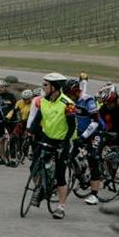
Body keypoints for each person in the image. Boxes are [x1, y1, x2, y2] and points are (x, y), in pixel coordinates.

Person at [29, 73, 75, 219]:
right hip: (48, 137)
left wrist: (63, 143)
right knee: (34, 165)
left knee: (60, 174)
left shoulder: (68, 104)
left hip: (63, 139)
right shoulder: (43, 101)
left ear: (54, 87)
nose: (42, 87)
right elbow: (37, 120)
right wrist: (30, 133)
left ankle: (61, 208)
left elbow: (72, 127)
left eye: (45, 85)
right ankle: (42, 188)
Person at [64, 78, 104, 205]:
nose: (68, 97)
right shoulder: (70, 101)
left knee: (92, 158)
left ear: (76, 91)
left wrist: (84, 137)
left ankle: (94, 195)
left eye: (69, 94)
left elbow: (96, 122)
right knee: (68, 157)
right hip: (79, 133)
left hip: (95, 132)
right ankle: (80, 177)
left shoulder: (88, 100)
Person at [0, 80, 17, 166]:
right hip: (0, 121)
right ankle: (2, 157)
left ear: (6, 88)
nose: (0, 89)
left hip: (11, 121)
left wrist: (12, 117)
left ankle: (13, 158)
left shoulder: (11, 96)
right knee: (0, 140)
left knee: (12, 139)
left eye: (2, 87)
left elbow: (16, 108)